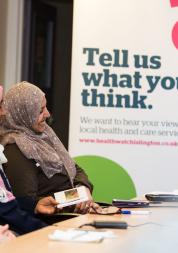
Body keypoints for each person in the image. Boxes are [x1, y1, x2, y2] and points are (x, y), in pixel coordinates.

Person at [0, 81, 99, 215]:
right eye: (40, 111)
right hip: (53, 222)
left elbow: (75, 169)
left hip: (72, 213)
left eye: (45, 108)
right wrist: (77, 197)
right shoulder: (15, 148)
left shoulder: (44, 134)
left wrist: (83, 189)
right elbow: (28, 202)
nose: (47, 114)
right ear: (23, 114)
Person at [0, 85, 59, 235]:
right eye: (0, 104)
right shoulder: (14, 146)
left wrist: (34, 205)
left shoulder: (46, 137)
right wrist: (51, 233)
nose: (4, 111)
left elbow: (6, 203)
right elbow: (8, 210)